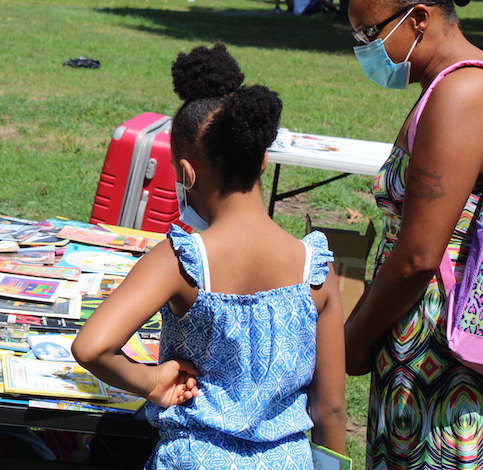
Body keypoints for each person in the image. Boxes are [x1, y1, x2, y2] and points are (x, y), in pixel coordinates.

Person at [72, 44, 346, 469]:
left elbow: (92, 347)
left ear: (186, 173)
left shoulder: (180, 261)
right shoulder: (316, 270)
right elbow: (329, 409)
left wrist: (152, 382)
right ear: (264, 160)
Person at [345, 0, 483, 469]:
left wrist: (354, 339)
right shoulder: (444, 88)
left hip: (437, 349)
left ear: (419, 18)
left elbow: (418, 255)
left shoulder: (462, 93)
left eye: (371, 33)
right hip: (413, 330)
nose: (365, 49)